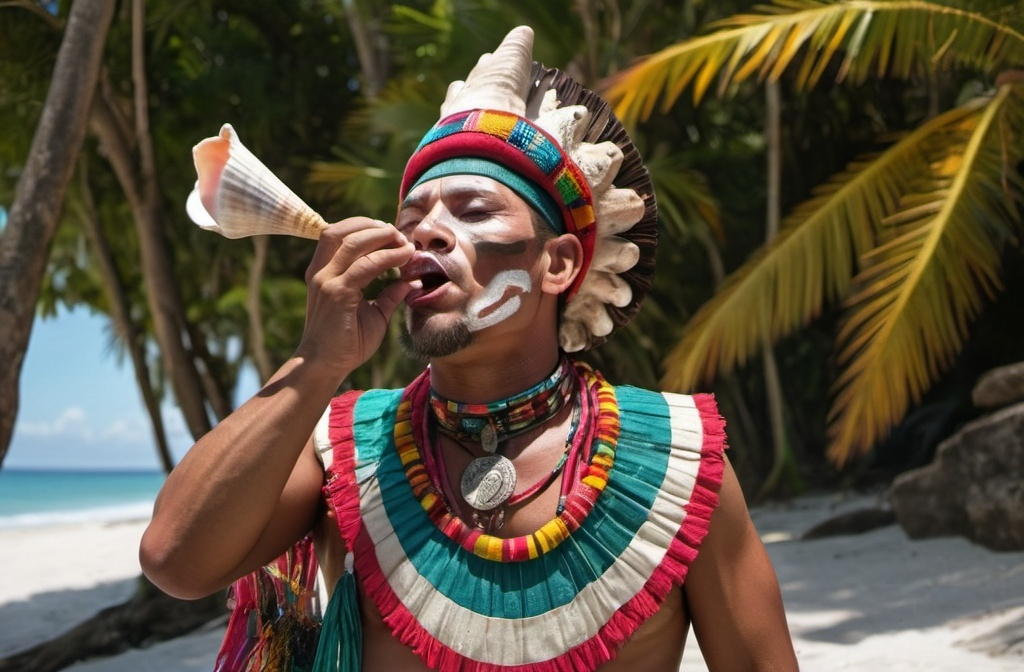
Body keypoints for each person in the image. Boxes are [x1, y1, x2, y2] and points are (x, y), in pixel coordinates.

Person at [141, 26, 799, 672]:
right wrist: (319, 360)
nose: (427, 231)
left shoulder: (676, 465)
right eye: (412, 219)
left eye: (474, 209)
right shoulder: (342, 452)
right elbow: (176, 560)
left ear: (559, 264)